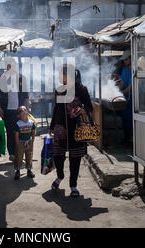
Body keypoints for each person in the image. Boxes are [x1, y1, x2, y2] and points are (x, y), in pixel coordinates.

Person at [49, 66, 93, 198]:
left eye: (60, 74)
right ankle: (60, 176)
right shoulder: (59, 90)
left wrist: (81, 110)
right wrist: (51, 126)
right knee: (58, 156)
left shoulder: (81, 89)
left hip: (76, 128)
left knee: (75, 158)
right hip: (60, 128)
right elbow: (56, 109)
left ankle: (73, 186)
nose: (59, 77)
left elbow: (89, 106)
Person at [0, 64, 30, 161]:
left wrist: (27, 108)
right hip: (7, 110)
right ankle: (12, 154)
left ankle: (20, 152)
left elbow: (26, 95)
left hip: (20, 110)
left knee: (21, 131)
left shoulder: (21, 78)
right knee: (10, 132)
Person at [14, 105, 36, 180]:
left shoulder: (31, 122)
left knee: (29, 155)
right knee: (19, 156)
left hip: (29, 141)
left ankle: (29, 170)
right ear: (18, 115)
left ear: (28, 112)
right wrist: (17, 144)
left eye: (25, 109)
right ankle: (17, 170)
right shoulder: (18, 124)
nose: (23, 111)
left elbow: (33, 132)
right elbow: (16, 134)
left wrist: (32, 140)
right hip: (20, 142)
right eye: (21, 111)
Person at [119, 50, 133, 144]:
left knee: (131, 117)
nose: (124, 61)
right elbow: (122, 83)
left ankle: (132, 137)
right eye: (124, 60)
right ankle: (127, 137)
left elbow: (130, 87)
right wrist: (116, 91)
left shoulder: (136, 69)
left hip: (134, 97)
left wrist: (120, 93)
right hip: (126, 97)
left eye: (126, 59)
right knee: (125, 117)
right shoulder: (125, 69)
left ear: (131, 58)